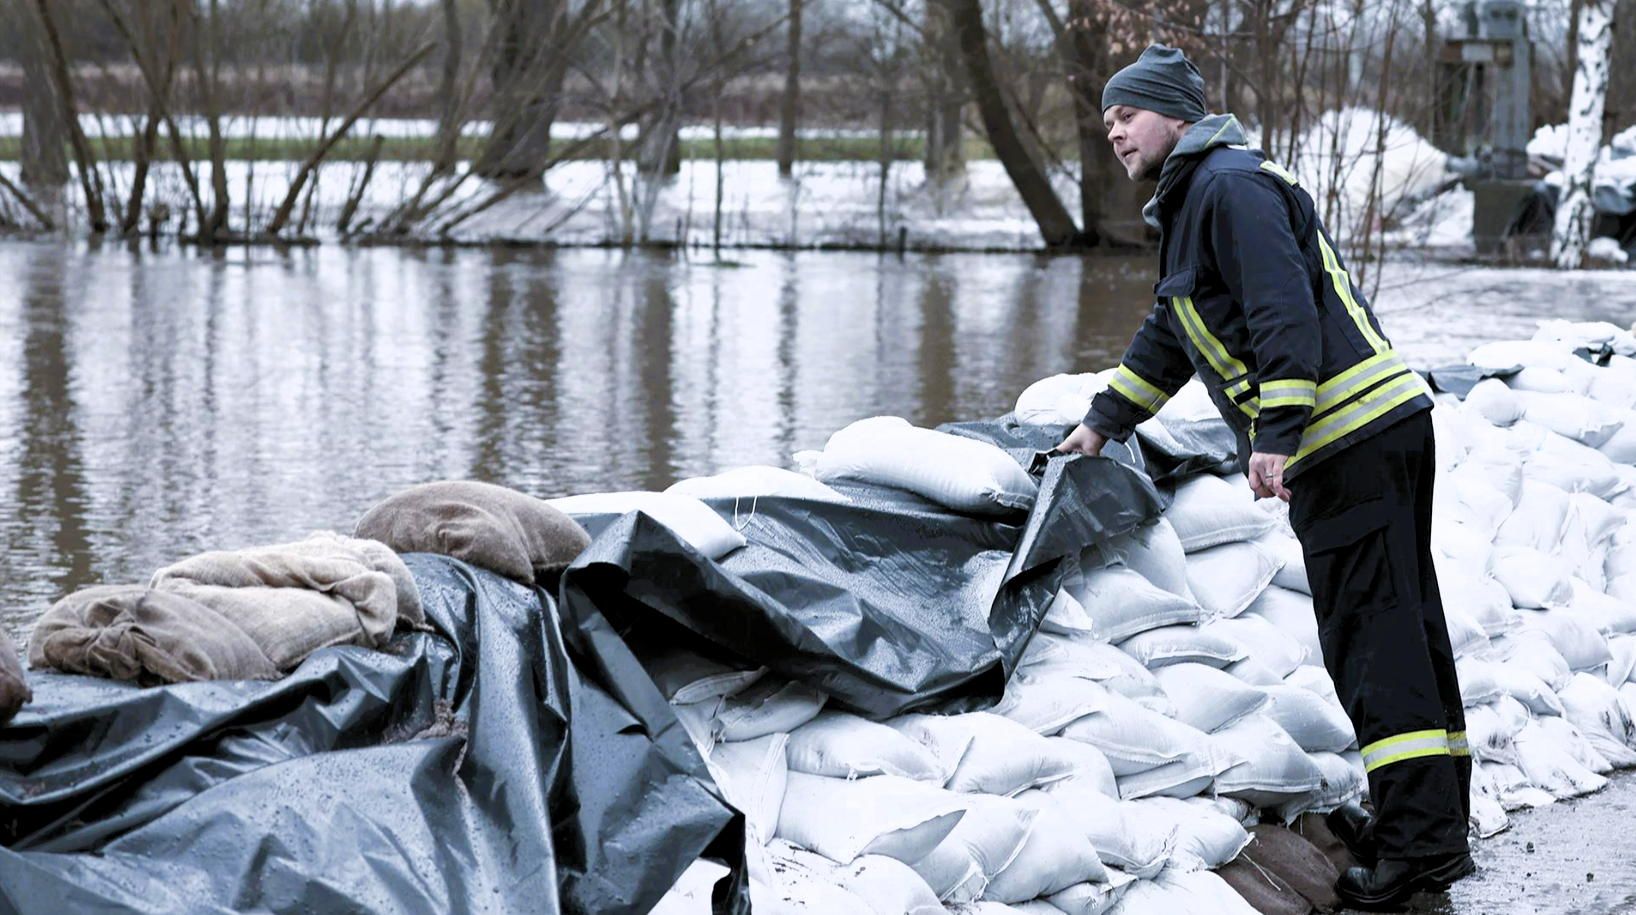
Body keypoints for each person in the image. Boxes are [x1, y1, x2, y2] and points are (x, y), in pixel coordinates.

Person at [1055, 45, 1473, 910]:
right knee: (1401, 627)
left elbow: (1281, 306)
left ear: (1173, 114)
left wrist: (1276, 431)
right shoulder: (1198, 197)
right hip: (1377, 427)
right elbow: (1172, 337)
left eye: (1126, 115)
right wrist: (1101, 423)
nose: (1114, 132)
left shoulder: (1226, 187)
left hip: (1345, 436)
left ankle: (1419, 852)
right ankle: (1423, 823)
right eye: (1106, 121)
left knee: (1373, 638)